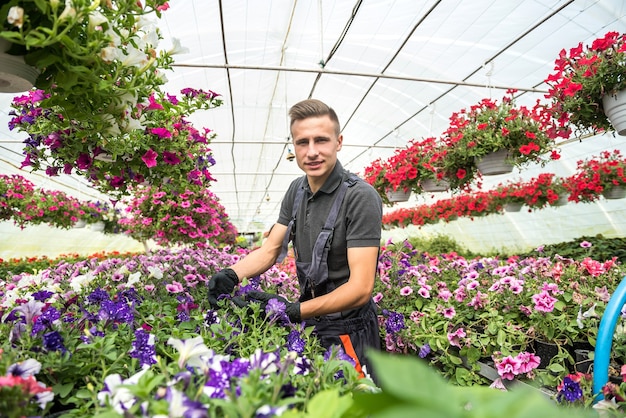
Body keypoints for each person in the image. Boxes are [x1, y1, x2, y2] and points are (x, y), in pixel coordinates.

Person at [207, 98, 383, 379]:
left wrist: (293, 311)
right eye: (303, 142)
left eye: (321, 140)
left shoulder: (359, 197)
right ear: (293, 147)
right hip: (312, 324)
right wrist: (230, 275)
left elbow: (360, 288)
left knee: (355, 402)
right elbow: (270, 249)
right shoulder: (297, 190)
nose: (312, 152)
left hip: (350, 330)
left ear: (338, 142)